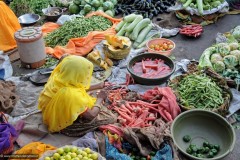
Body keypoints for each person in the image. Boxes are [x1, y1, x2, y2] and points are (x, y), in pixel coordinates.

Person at [38, 55, 107, 133]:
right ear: (78, 74)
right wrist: (100, 98)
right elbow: (91, 115)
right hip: (60, 121)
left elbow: (74, 86)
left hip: (49, 110)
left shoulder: (57, 77)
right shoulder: (72, 95)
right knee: (110, 117)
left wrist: (98, 85)